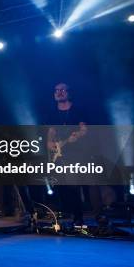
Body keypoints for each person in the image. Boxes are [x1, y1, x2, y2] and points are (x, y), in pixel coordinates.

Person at [46, 82, 88, 226]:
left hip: (75, 152)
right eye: (56, 90)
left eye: (62, 90)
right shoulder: (52, 112)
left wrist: (78, 136)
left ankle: (78, 216)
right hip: (59, 153)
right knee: (59, 183)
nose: (59, 92)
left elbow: (84, 129)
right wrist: (49, 142)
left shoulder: (77, 110)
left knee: (73, 183)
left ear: (69, 92)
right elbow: (51, 132)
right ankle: (66, 212)